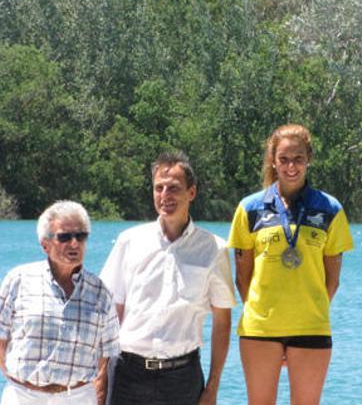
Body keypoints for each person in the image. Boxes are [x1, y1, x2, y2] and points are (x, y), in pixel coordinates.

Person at [228, 124, 353, 405]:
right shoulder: (249, 208)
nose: (291, 166)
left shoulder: (330, 209)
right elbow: (242, 278)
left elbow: (332, 280)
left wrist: (308, 311)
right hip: (259, 330)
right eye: (283, 159)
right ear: (273, 160)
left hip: (311, 326)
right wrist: (264, 315)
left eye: (297, 158)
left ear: (308, 159)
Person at [100, 152, 235, 405]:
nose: (165, 196)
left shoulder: (214, 249)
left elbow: (222, 321)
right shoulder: (130, 241)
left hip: (182, 377)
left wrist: (213, 387)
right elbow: (110, 312)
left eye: (173, 188)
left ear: (191, 192)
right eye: (159, 188)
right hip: (127, 374)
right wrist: (100, 375)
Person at [0, 201, 119, 405]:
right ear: (45, 245)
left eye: (81, 236)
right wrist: (10, 374)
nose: (74, 243)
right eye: (64, 237)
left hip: (79, 397)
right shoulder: (18, 280)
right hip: (23, 396)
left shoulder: (100, 292)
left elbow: (107, 355)